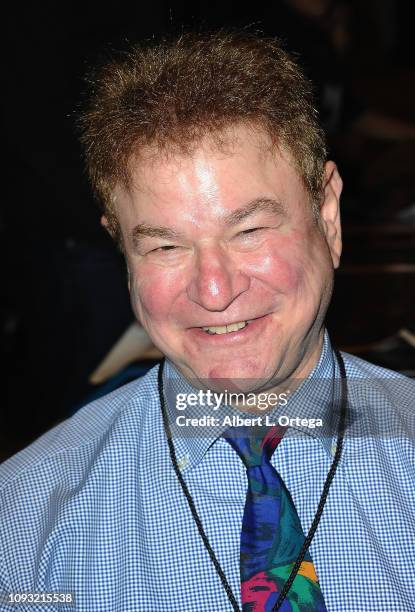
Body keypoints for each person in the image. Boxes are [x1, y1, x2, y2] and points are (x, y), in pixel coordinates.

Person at [0, 31, 414, 612]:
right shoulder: (23, 524)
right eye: (165, 247)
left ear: (329, 217)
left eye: (249, 231)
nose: (215, 292)